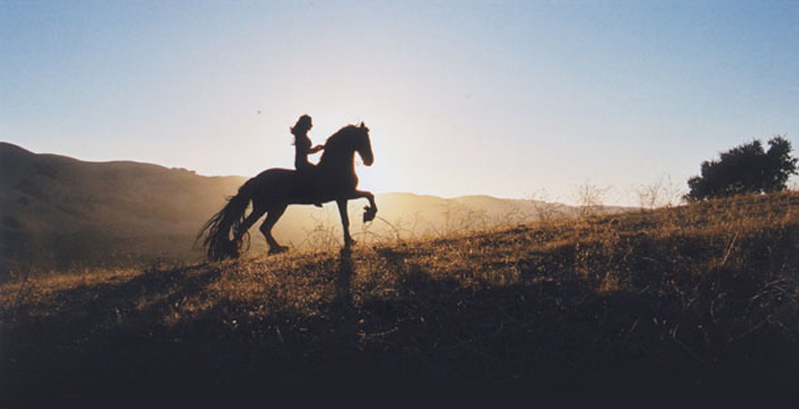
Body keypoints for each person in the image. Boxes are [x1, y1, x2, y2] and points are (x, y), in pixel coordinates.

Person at [290, 115, 324, 206]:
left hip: (303, 162)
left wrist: (318, 148)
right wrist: (317, 149)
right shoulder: (301, 136)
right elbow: (306, 151)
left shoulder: (301, 135)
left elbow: (307, 151)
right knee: (317, 173)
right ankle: (314, 197)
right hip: (302, 163)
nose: (311, 126)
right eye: (309, 123)